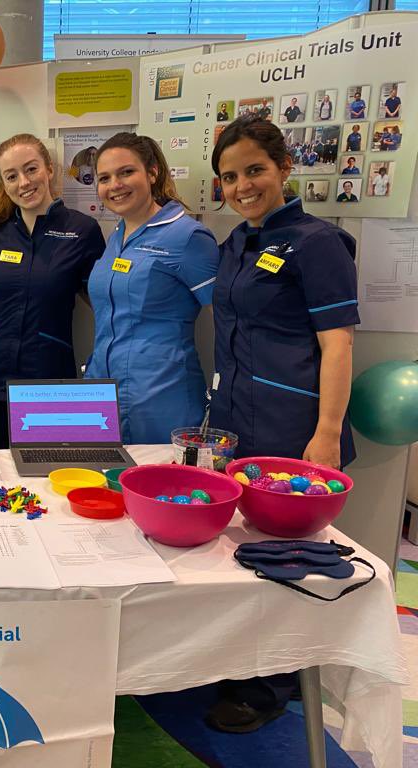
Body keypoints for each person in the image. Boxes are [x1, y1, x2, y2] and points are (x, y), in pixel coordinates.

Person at [207, 114, 358, 733]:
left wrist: (325, 433)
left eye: (254, 171)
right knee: (239, 552)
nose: (242, 186)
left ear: (284, 168)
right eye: (229, 177)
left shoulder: (318, 242)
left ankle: (271, 686)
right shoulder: (236, 241)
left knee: (285, 557)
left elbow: (339, 344)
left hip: (294, 426)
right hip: (235, 419)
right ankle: (245, 664)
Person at [0, 133, 106, 448]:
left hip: (48, 376)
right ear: (4, 185)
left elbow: (103, 307)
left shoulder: (82, 231)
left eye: (31, 169)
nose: (23, 182)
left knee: (47, 472)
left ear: (49, 169)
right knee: (2, 473)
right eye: (12, 176)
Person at [84, 133, 219, 444]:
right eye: (104, 178)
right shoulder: (116, 236)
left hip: (163, 399)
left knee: (163, 490)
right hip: (103, 394)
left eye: (126, 172)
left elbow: (228, 322)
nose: (114, 184)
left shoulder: (188, 237)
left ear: (153, 172)